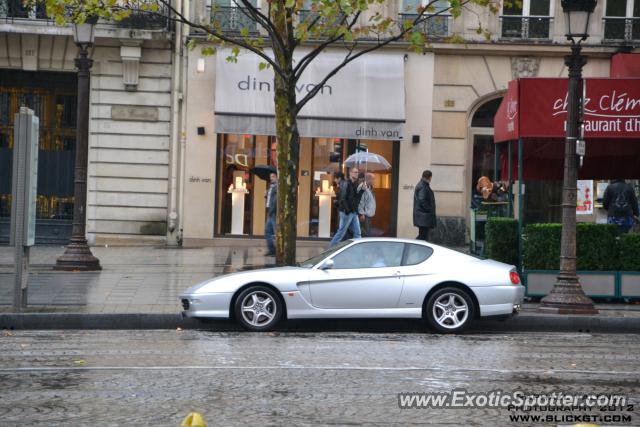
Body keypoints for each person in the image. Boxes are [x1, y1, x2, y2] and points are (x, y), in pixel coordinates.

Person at [329, 168, 361, 247]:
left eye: (357, 172)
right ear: (350, 173)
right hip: (347, 212)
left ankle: (359, 250)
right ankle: (330, 250)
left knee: (357, 233)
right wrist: (348, 210)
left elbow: (356, 198)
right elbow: (343, 198)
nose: (357, 174)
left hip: (353, 212)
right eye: (355, 172)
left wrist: (362, 190)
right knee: (341, 232)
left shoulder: (354, 184)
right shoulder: (346, 183)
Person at [413, 169, 436, 242]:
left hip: (423, 217)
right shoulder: (423, 186)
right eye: (431, 178)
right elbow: (422, 200)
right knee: (422, 237)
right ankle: (414, 247)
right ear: (429, 177)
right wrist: (429, 209)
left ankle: (417, 248)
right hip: (423, 217)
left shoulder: (423, 185)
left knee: (423, 236)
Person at [358, 172, 376, 237]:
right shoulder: (362, 187)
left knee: (367, 232)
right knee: (365, 233)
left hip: (369, 214)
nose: (374, 181)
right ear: (368, 179)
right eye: (373, 179)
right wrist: (361, 213)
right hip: (365, 215)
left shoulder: (370, 187)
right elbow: (361, 201)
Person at [264, 171, 277, 256]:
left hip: (274, 212)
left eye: (272, 176)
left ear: (277, 177)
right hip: (270, 212)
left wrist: (272, 211)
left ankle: (278, 251)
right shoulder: (271, 187)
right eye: (270, 177)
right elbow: (270, 199)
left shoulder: (277, 187)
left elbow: (276, 201)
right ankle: (272, 249)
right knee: (267, 231)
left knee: (276, 232)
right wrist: (266, 195)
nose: (271, 178)